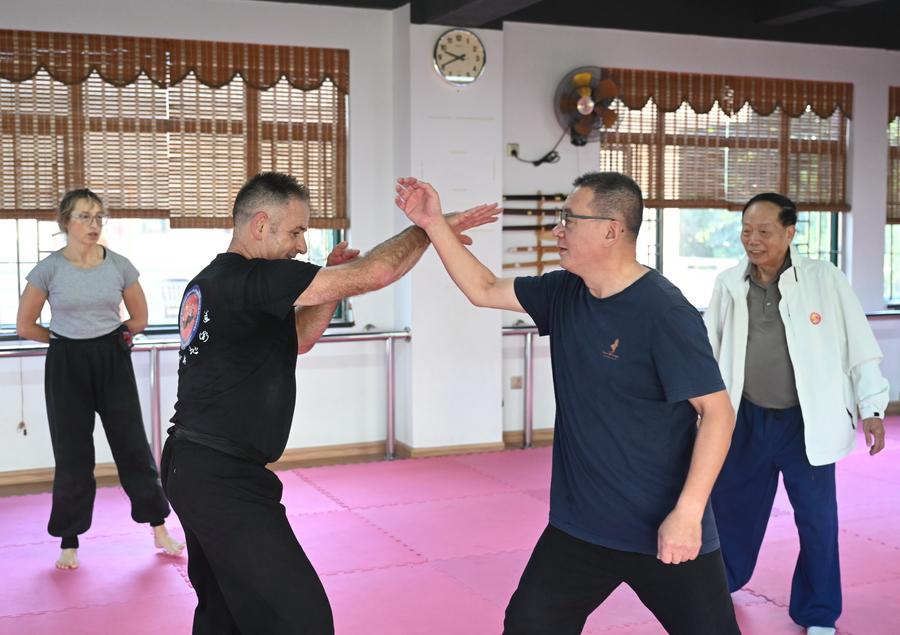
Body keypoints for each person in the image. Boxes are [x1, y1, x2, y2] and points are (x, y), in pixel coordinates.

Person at [395, 172, 741, 635]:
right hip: (580, 528)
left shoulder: (664, 312)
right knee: (529, 625)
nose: (557, 231)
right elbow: (484, 288)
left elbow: (717, 413)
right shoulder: (564, 292)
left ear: (611, 231)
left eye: (569, 220)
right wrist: (434, 223)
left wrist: (689, 514)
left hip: (661, 527)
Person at [161, 171, 499, 634]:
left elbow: (299, 339)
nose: (302, 247)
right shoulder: (250, 278)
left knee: (225, 611)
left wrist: (329, 288)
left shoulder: (216, 281)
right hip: (218, 477)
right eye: (296, 232)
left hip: (197, 466)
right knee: (302, 618)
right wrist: (428, 228)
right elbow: (377, 273)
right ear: (260, 225)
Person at [704, 193, 889, 635]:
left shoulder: (824, 279)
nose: (753, 240)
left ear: (789, 233)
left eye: (764, 231)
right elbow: (709, 349)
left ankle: (818, 612)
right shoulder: (729, 284)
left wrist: (872, 406)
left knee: (817, 521)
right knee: (731, 511)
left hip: (806, 423)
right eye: (746, 230)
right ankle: (721, 585)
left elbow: (859, 346)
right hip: (746, 421)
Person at [16, 188, 184, 570]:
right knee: (73, 454)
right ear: (65, 222)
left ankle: (159, 528)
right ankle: (69, 541)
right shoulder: (48, 269)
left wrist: (114, 338)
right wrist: (64, 340)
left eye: (98, 216)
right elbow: (25, 325)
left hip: (112, 359)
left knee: (133, 447)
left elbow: (139, 318)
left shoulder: (119, 265)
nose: (93, 224)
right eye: (84, 216)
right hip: (66, 364)